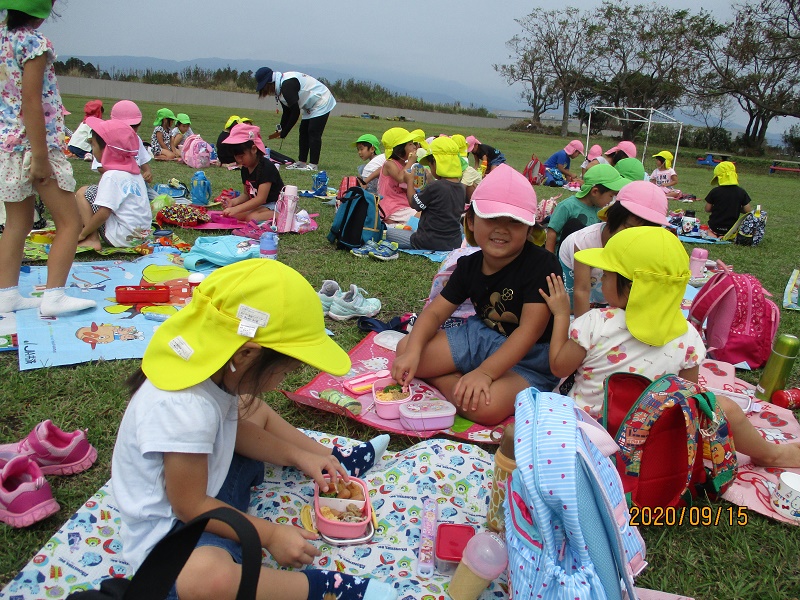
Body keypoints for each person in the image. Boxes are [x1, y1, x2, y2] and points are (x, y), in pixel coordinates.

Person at [111, 259, 397, 600]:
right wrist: (270, 535)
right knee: (208, 580)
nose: (283, 380)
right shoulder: (184, 408)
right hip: (178, 529)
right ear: (246, 355)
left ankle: (334, 460)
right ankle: (322, 590)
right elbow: (189, 505)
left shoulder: (211, 369)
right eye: (286, 371)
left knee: (251, 407)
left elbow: (232, 429)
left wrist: (301, 455)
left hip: (207, 483)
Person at [540, 227, 800, 468]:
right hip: (651, 445)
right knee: (725, 407)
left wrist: (561, 315)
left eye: (606, 276)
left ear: (631, 287)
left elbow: (559, 367)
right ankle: (770, 453)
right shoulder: (688, 336)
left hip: (587, 436)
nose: (600, 282)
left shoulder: (594, 322)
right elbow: (688, 396)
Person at [390, 165, 561, 426]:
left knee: (483, 407)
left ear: (529, 230)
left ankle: (450, 380)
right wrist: (413, 352)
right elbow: (435, 313)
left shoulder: (542, 265)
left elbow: (529, 332)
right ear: (470, 221)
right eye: (491, 219)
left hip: (529, 356)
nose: (502, 229)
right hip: (479, 338)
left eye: (514, 222)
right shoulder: (469, 265)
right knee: (405, 349)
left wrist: (485, 373)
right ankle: (457, 380)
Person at [0, 0, 96, 317]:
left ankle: (6, 295)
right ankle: (54, 295)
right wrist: (41, 156)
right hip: (36, 146)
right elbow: (32, 101)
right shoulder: (34, 43)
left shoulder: (2, 37)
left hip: (7, 147)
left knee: (17, 222)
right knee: (70, 222)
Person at [559, 180, 668, 317]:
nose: (633, 237)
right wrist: (583, 328)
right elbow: (581, 291)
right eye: (629, 227)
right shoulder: (585, 241)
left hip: (607, 300)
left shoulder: (639, 245)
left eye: (643, 233)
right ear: (612, 217)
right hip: (575, 297)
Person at [74, 118, 151, 250]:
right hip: (142, 236)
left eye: (94, 146)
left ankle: (92, 239)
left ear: (107, 150)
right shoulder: (135, 172)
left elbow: (104, 213)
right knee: (96, 193)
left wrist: (82, 234)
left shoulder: (111, 175)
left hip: (121, 237)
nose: (93, 150)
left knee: (83, 193)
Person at [383, 136, 465, 252]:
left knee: (389, 233)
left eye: (430, 165)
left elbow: (414, 203)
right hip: (452, 242)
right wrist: (430, 181)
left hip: (427, 241)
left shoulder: (436, 186)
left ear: (436, 163)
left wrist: (410, 180)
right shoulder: (461, 187)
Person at [76, 100, 154, 209]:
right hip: (116, 186)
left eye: (134, 126)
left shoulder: (136, 140)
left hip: (137, 186)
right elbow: (100, 167)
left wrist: (147, 172)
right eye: (127, 126)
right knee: (91, 197)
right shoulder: (107, 139)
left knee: (158, 202)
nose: (130, 130)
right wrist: (124, 173)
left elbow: (143, 162)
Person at [255, 67, 336, 172]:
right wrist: (279, 131)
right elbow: (287, 112)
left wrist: (284, 132)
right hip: (310, 104)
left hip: (321, 99)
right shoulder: (280, 90)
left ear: (269, 83)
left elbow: (295, 112)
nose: (266, 91)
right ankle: (301, 162)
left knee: (313, 131)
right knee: (303, 131)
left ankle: (313, 165)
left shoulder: (287, 86)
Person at [545, 163, 626, 254]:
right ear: (595, 192)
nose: (611, 200)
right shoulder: (567, 206)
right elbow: (552, 232)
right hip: (565, 256)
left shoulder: (600, 211)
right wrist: (550, 259)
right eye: (611, 196)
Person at [221, 123, 284, 222]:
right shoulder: (245, 168)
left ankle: (285, 216)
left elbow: (261, 199)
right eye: (236, 157)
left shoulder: (266, 167)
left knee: (251, 218)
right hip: (262, 206)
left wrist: (236, 209)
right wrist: (233, 202)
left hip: (276, 205)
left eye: (241, 156)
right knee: (235, 215)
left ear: (254, 149)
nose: (239, 160)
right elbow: (247, 195)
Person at [377, 127, 419, 225]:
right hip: (392, 205)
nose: (414, 147)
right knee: (422, 216)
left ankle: (397, 224)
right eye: (410, 144)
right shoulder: (390, 164)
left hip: (403, 204)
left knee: (426, 213)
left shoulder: (406, 164)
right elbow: (400, 178)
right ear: (399, 149)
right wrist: (411, 162)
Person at [704, 161, 752, 238]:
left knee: (708, 231)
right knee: (730, 234)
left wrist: (718, 207)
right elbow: (748, 210)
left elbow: (707, 209)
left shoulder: (715, 191)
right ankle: (725, 237)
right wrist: (736, 208)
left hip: (714, 227)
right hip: (731, 229)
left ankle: (714, 235)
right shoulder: (741, 192)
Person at [452, 134, 481, 202]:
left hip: (478, 197)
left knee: (468, 185)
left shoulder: (468, 172)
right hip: (469, 191)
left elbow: (460, 189)